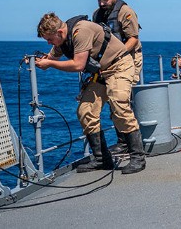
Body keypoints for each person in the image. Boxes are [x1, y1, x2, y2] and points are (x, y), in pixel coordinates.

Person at [35, 12, 145, 174]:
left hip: (119, 65)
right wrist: (42, 59)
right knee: (85, 111)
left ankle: (137, 157)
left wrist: (50, 64)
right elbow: (53, 54)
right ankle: (102, 159)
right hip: (102, 72)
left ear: (59, 32)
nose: (49, 43)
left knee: (119, 104)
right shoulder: (63, 38)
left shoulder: (81, 31)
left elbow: (78, 65)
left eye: (50, 39)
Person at [93, 0, 142, 154]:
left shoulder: (125, 12)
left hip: (130, 59)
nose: (101, 3)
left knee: (122, 99)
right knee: (113, 101)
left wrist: (117, 54)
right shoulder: (97, 15)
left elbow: (133, 39)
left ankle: (132, 145)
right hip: (109, 63)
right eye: (99, 0)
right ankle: (123, 141)